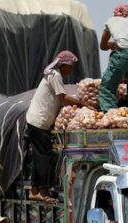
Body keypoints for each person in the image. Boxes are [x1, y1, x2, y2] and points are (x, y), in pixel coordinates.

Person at [25, 50, 87, 204]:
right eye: (70, 67)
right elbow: (63, 98)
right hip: (39, 122)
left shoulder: (52, 74)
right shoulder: (55, 76)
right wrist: (83, 104)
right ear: (64, 65)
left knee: (39, 156)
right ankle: (42, 191)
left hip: (38, 122)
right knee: (45, 157)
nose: (71, 70)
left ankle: (36, 191)